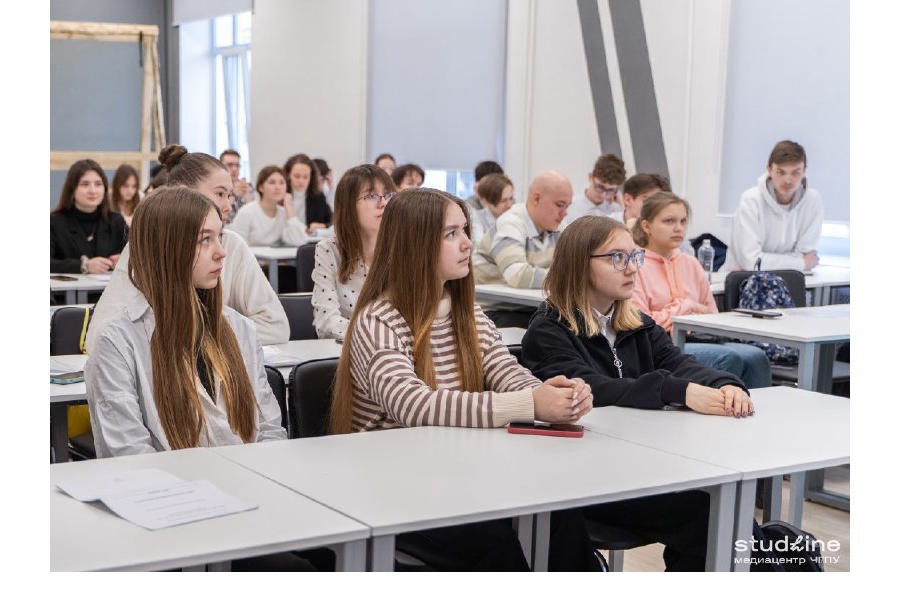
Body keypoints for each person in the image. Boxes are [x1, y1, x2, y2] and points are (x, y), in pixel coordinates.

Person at [328, 187, 597, 571]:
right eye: (451, 234)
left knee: (560, 512)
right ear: (414, 245)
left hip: (461, 474)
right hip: (395, 486)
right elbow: (412, 404)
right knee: (494, 537)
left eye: (465, 230)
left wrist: (550, 393)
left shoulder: (466, 312)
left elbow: (504, 371)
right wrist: (530, 404)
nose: (468, 243)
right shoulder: (378, 319)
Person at [84, 186, 319, 571]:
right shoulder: (117, 345)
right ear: (167, 249)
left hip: (253, 506)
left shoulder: (239, 330)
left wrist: (262, 493)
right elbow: (128, 460)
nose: (221, 252)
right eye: (203, 240)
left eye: (219, 236)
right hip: (172, 528)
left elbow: (270, 431)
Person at [521, 214, 755, 571]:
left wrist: (724, 383)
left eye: (635, 257)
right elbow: (592, 388)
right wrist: (676, 391)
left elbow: (678, 362)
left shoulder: (635, 323)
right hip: (583, 482)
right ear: (579, 265)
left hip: (641, 466)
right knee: (707, 513)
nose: (631, 268)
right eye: (617, 258)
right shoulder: (549, 329)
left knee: (726, 511)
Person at [87, 144, 289, 352]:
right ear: (183, 193)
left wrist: (198, 339)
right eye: (220, 194)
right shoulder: (143, 247)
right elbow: (100, 338)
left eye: (230, 196)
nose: (228, 206)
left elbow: (276, 326)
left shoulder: (231, 245)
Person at [631, 192, 772, 389]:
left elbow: (713, 316)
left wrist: (683, 310)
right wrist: (687, 307)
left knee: (756, 357)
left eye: (683, 221)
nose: (678, 228)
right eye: (669, 221)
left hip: (698, 336)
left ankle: (755, 416)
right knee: (729, 358)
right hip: (661, 346)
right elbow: (640, 323)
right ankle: (722, 413)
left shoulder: (690, 262)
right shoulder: (635, 265)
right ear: (646, 226)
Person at [472, 170, 573, 328]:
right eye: (559, 205)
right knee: (561, 327)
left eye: (567, 206)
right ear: (536, 198)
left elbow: (572, 268)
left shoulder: (558, 226)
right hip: (492, 310)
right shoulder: (510, 223)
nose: (564, 213)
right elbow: (518, 275)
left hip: (530, 306)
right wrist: (567, 279)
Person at [311, 164, 395, 340]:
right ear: (349, 206)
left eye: (388, 194)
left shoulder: (405, 248)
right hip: (349, 352)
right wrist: (377, 336)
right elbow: (326, 322)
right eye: (371, 196)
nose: (383, 203)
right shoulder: (329, 250)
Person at [727, 139, 823, 271]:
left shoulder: (813, 201)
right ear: (769, 169)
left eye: (795, 172)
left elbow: (806, 254)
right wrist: (800, 264)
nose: (788, 180)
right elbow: (750, 261)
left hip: (792, 282)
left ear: (804, 171)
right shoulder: (751, 200)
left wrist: (763, 261)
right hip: (746, 283)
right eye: (781, 172)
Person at [51, 159, 127, 274]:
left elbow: (137, 257)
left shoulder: (116, 221)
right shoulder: (55, 222)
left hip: (110, 291)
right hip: (68, 291)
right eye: (85, 184)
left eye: (98, 184)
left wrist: (124, 260)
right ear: (72, 189)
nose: (93, 191)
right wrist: (83, 265)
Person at [228, 165, 309, 247]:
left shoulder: (284, 213)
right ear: (261, 187)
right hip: (252, 259)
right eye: (272, 182)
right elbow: (237, 246)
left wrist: (289, 207)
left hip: (276, 259)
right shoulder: (247, 212)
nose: (278, 187)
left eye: (282, 183)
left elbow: (300, 241)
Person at [283, 153, 333, 234]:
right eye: (297, 176)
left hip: (309, 242)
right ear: (288, 175)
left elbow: (331, 222)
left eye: (305, 177)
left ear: (311, 176)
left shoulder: (318, 197)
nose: (301, 181)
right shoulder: (280, 195)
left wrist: (323, 226)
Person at [567, 154, 626, 221]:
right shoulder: (569, 207)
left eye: (610, 190)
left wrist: (621, 204)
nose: (603, 195)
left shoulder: (617, 209)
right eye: (600, 187)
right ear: (590, 177)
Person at [469, 172, 514, 246]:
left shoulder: (515, 216)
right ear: (485, 201)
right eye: (503, 201)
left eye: (511, 198)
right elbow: (480, 247)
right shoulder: (476, 218)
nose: (509, 205)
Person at [220, 149, 253, 220]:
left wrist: (246, 195)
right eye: (230, 165)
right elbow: (218, 214)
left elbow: (254, 214)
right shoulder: (217, 188)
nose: (234, 169)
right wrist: (233, 195)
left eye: (237, 165)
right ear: (220, 167)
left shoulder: (247, 186)